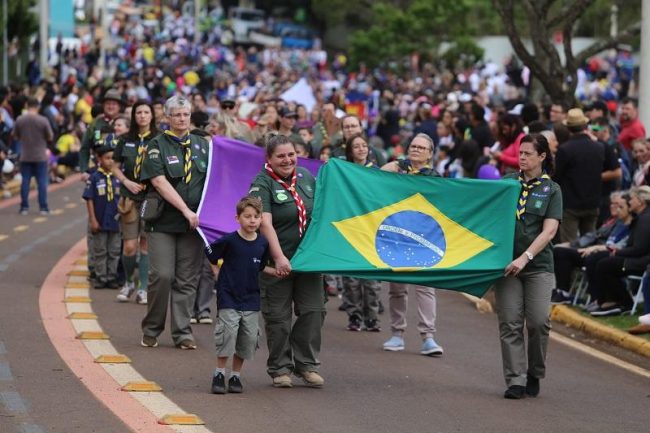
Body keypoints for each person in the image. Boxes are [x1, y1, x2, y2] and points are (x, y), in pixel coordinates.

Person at [248, 133, 325, 388]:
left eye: (291, 154)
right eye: (280, 156)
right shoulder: (262, 183)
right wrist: (279, 257)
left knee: (314, 310)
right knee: (278, 318)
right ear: (269, 158)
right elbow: (265, 223)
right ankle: (280, 367)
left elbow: (322, 212)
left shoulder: (305, 177)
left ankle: (307, 365)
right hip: (276, 262)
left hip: (308, 261)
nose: (287, 160)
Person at [139, 95, 210, 350]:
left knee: (187, 279)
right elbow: (159, 181)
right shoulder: (157, 145)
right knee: (162, 275)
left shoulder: (204, 145)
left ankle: (182, 332)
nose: (182, 119)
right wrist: (184, 209)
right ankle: (152, 328)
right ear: (167, 118)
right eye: (177, 114)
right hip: (164, 222)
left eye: (186, 114)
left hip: (193, 225)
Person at [495, 133, 562, 400]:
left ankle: (534, 370)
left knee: (537, 322)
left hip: (537, 265)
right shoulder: (507, 184)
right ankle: (515, 380)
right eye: (520, 153)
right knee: (510, 323)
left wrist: (525, 257)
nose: (521, 158)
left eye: (527, 154)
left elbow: (549, 231)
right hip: (506, 267)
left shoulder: (552, 190)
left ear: (542, 156)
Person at [381, 133, 444, 355]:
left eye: (421, 148)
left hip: (424, 239)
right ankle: (397, 334)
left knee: (425, 288)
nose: (415, 150)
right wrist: (397, 163)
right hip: (397, 237)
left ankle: (428, 337)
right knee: (397, 288)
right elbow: (377, 176)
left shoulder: (435, 177)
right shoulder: (398, 169)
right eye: (413, 146)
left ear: (430, 154)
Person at [205, 196, 274, 394]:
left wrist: (278, 271)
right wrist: (216, 270)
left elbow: (260, 267)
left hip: (251, 298)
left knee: (248, 338)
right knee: (227, 334)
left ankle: (235, 375)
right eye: (247, 216)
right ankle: (219, 373)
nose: (252, 220)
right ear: (237, 218)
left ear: (261, 219)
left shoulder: (262, 243)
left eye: (256, 216)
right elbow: (210, 253)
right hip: (228, 295)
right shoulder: (229, 240)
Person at [112, 100, 158, 304]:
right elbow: (114, 167)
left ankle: (143, 288)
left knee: (146, 243)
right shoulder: (125, 140)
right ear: (134, 116)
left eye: (146, 112)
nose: (142, 115)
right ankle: (128, 282)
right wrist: (126, 182)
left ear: (152, 115)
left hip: (151, 197)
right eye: (138, 112)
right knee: (130, 245)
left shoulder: (159, 139)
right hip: (130, 197)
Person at [551, 192, 631, 305]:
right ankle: (563, 292)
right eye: (612, 203)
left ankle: (597, 299)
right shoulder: (611, 221)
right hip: (592, 249)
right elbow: (593, 235)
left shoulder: (627, 222)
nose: (614, 207)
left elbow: (622, 245)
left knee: (593, 258)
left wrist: (597, 248)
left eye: (619, 205)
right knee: (560, 251)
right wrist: (571, 245)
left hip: (606, 253)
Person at [340, 133, 382, 332]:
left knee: (372, 279)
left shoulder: (376, 172)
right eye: (356, 146)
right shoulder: (344, 171)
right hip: (351, 228)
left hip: (372, 230)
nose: (361, 149)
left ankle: (372, 317)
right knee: (351, 279)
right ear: (350, 150)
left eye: (364, 145)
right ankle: (354, 316)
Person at [589, 186, 650, 316]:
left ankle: (622, 302)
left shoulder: (645, 219)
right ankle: (609, 301)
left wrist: (617, 252)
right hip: (638, 259)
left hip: (641, 262)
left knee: (605, 264)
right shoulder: (642, 217)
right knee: (604, 262)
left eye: (632, 199)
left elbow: (639, 249)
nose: (629, 202)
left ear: (641, 202)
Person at [554, 108, 606, 243]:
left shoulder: (564, 149)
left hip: (570, 204)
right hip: (593, 203)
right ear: (585, 126)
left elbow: (557, 176)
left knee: (568, 244)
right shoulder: (599, 147)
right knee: (589, 243)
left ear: (568, 128)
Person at [83, 146, 121, 289]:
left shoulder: (118, 177)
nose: (110, 161)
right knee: (100, 250)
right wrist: (93, 219)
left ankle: (111, 276)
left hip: (115, 221)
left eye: (113, 158)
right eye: (107, 158)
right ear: (99, 159)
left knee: (114, 250)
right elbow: (89, 198)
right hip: (99, 220)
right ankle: (100, 276)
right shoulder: (94, 177)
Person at [14, 97, 54, 215]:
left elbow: (15, 135)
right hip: (40, 155)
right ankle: (43, 207)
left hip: (25, 155)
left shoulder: (20, 119)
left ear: (27, 105)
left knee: (25, 181)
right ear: (38, 106)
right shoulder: (43, 120)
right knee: (42, 181)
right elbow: (50, 136)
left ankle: (24, 207)